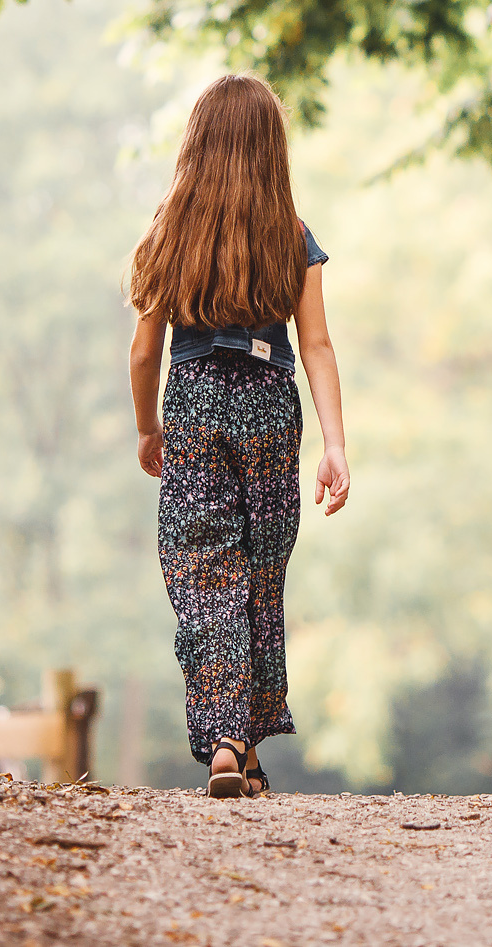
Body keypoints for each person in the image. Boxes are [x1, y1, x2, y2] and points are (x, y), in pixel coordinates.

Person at [128, 74, 351, 800]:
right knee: (259, 574)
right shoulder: (291, 235)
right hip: (269, 403)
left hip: (193, 403)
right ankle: (245, 749)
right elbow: (316, 345)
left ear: (197, 144)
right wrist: (335, 444)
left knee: (204, 572)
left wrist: (147, 427)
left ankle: (226, 736)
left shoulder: (170, 230)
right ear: (270, 150)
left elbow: (142, 350)